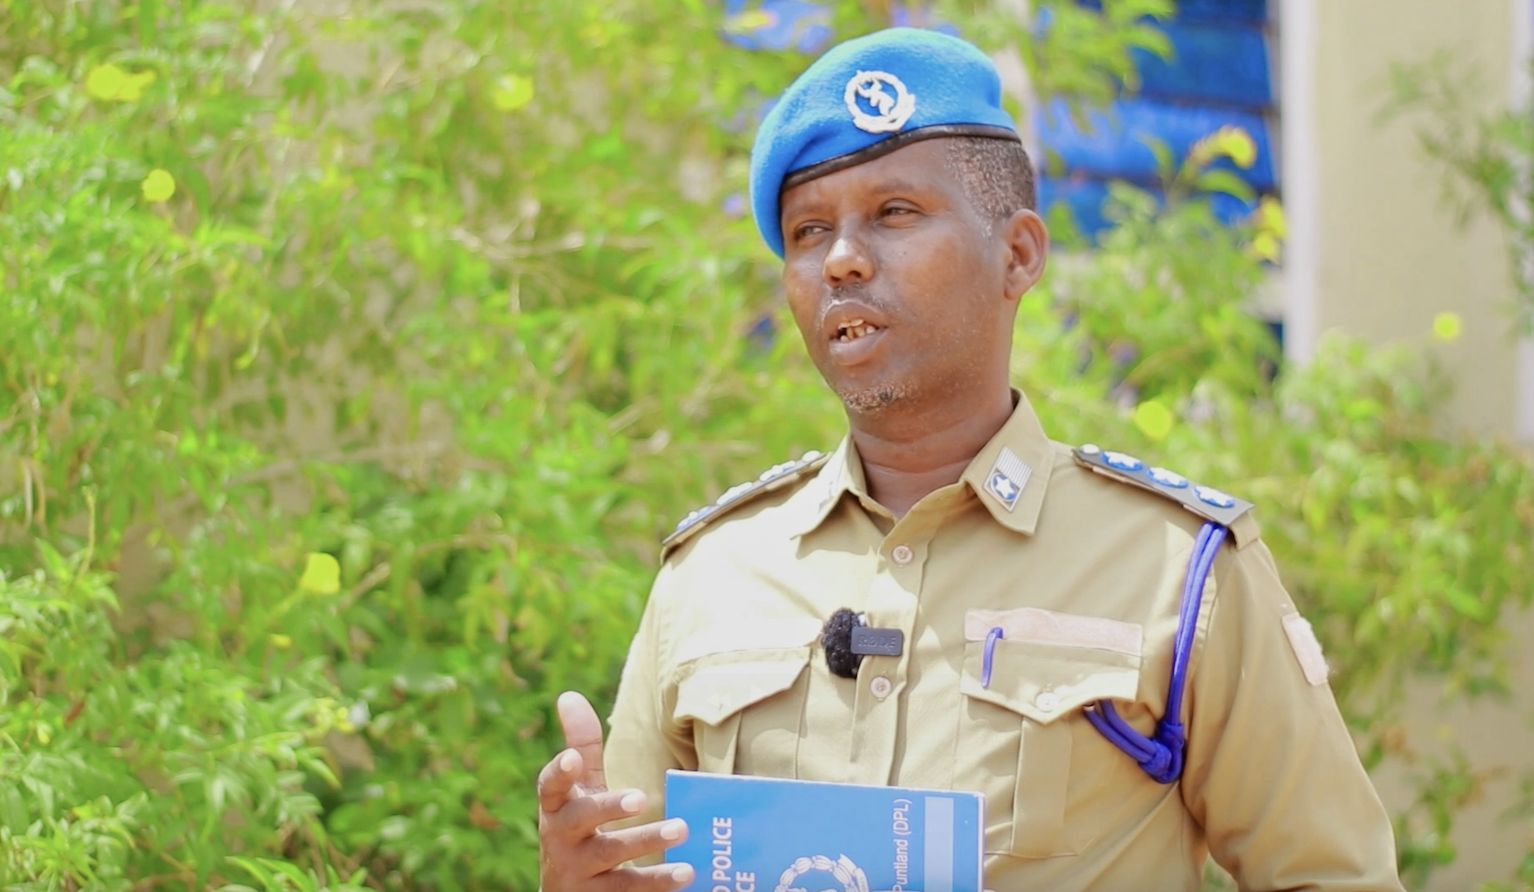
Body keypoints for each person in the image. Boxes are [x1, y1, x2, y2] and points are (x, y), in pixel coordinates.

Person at [536, 27, 1405, 892]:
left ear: (1018, 254)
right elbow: (640, 868)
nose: (840, 257)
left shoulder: (1180, 573)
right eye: (807, 231)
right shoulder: (714, 572)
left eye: (894, 213)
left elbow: (1331, 877)